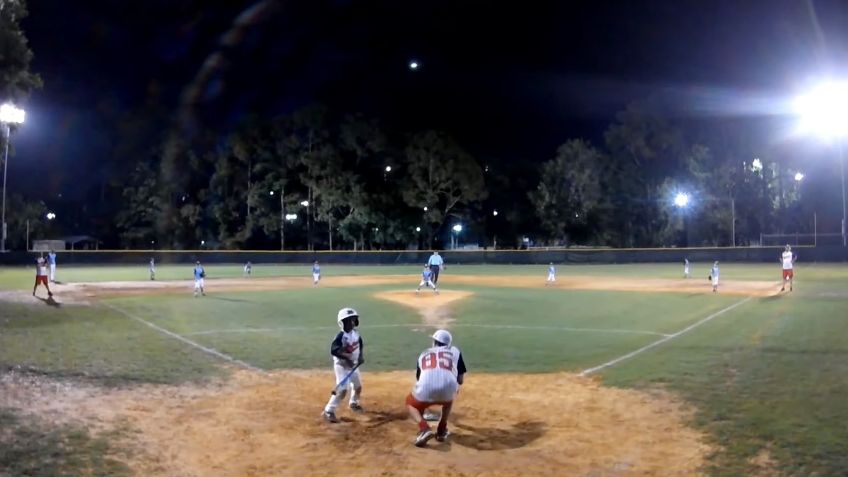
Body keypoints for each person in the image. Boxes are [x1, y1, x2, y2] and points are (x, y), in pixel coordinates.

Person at [406, 329, 466, 447]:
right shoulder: (455, 351)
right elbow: (460, 380)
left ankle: (424, 428)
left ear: (434, 342)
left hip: (425, 389)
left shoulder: (423, 353)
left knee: (411, 403)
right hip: (448, 391)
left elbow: (419, 378)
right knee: (450, 395)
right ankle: (441, 431)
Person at [323, 308, 365, 423]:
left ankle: (353, 403)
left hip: (353, 365)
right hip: (341, 366)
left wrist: (360, 356)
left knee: (358, 387)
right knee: (342, 390)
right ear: (343, 322)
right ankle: (329, 411)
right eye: (348, 321)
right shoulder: (341, 336)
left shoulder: (355, 334)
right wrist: (347, 358)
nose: (352, 323)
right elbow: (334, 350)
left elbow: (360, 344)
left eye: (353, 320)